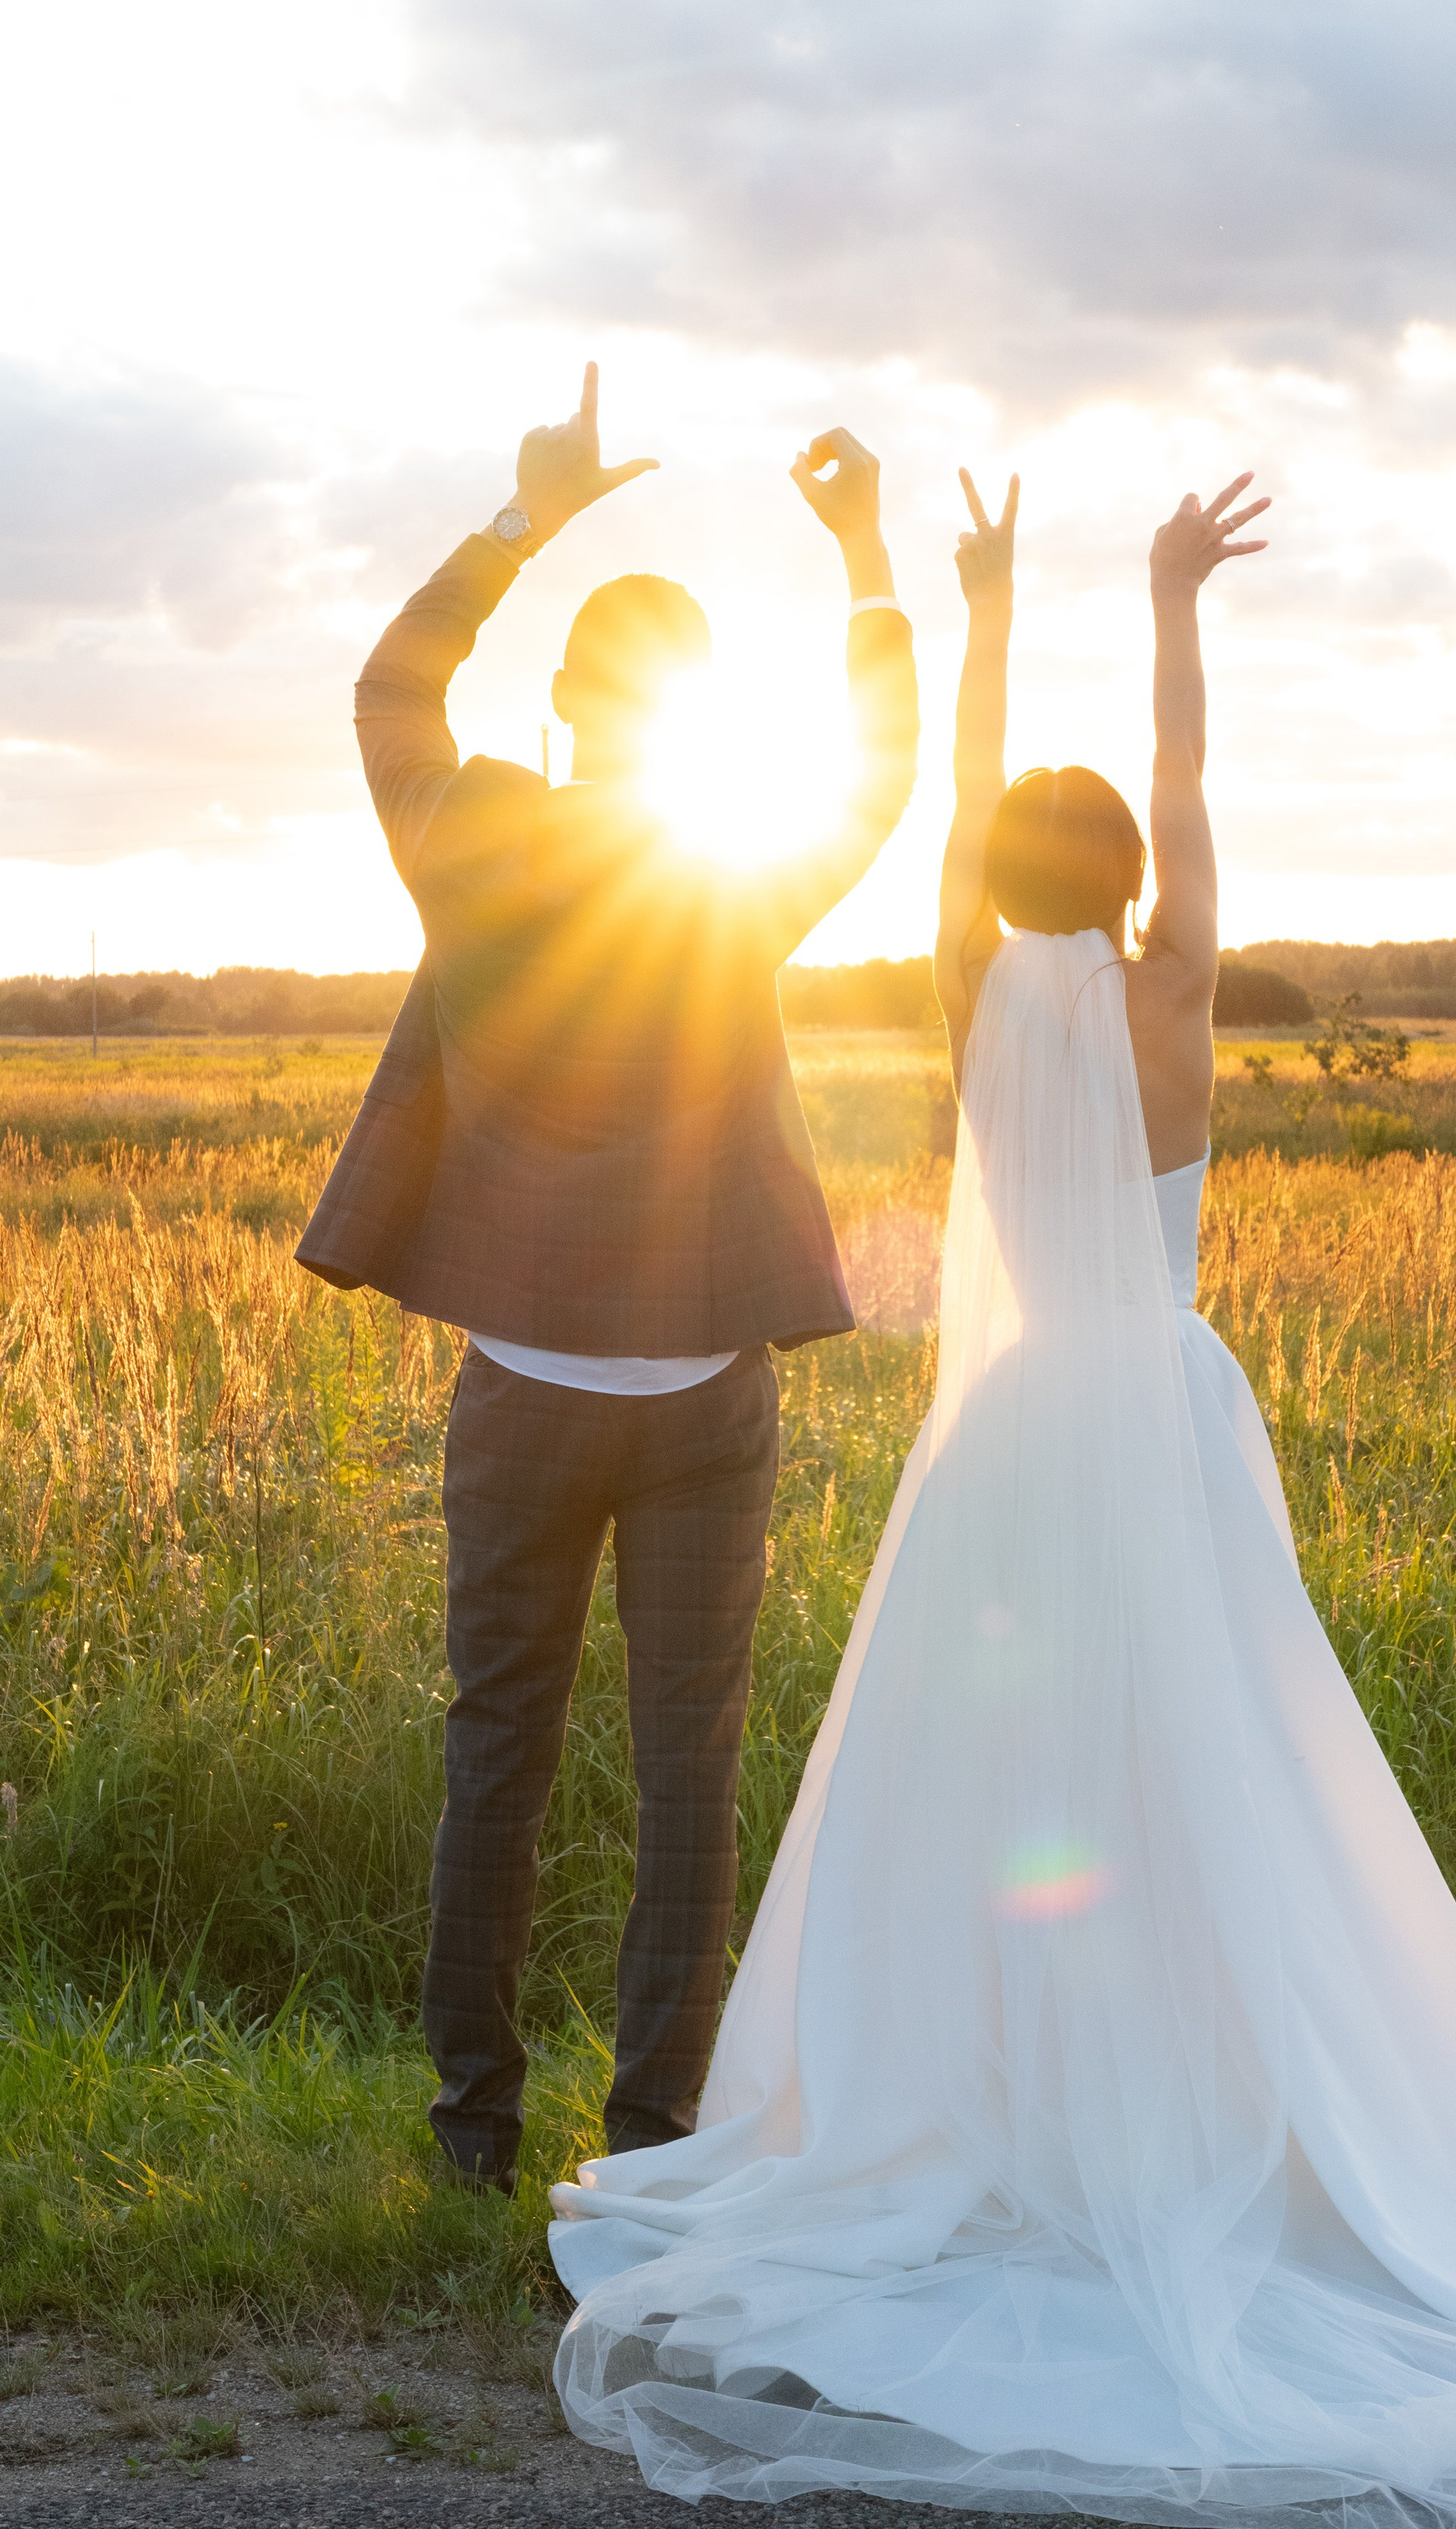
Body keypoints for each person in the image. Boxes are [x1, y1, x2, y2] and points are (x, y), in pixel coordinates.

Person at [545, 470, 1456, 2528]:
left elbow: (981, 787)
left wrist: (988, 605)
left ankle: (1023, 2113)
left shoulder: (970, 988)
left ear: (994, 875)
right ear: (1140, 878)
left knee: (987, 1800)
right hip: (1161, 1420)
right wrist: (1171, 598)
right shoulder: (1174, 997)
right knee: (1206, 1778)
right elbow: (1180, 764)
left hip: (1011, 1444)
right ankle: (1200, 2107)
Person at [296, 367, 917, 2194]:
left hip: (520, 1394)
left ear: (566, 710)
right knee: (687, 1780)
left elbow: (388, 688)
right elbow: (875, 772)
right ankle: (650, 2142)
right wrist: (868, 554)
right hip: (706, 1403)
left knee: (495, 1755)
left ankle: (471, 2137)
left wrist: (528, 513)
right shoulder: (730, 878)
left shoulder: (473, 839)